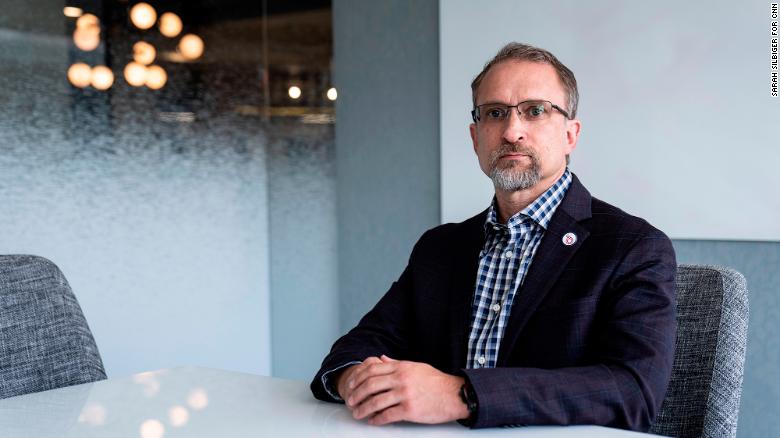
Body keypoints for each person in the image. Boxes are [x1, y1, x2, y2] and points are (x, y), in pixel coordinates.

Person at [310, 42, 677, 431]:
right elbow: (357, 347)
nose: (511, 131)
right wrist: (356, 380)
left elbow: (633, 392)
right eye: (495, 113)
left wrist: (461, 394)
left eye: (535, 111)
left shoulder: (634, 247)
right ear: (475, 137)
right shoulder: (440, 248)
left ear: (571, 134)